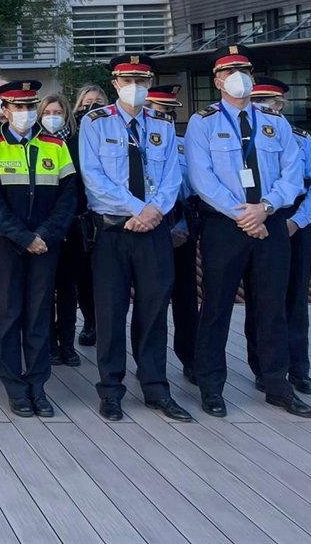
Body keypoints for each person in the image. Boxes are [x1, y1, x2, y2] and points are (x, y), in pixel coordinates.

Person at [185, 45, 311, 419]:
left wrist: (266, 208)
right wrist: (243, 215)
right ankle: (211, 386)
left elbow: (292, 174)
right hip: (225, 226)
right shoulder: (203, 123)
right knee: (216, 307)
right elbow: (201, 178)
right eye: (229, 72)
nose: (238, 77)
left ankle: (276, 384)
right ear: (217, 81)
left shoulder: (275, 123)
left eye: (244, 70)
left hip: (269, 222)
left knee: (272, 307)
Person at [79, 56, 191, 423]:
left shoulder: (162, 123)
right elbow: (93, 176)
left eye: (141, 80)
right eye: (127, 80)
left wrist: (153, 211)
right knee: (110, 313)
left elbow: (172, 175)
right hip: (112, 230)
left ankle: (156, 388)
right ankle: (111, 390)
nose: (135, 86)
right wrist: (138, 208)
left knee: (154, 311)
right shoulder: (95, 122)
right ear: (114, 83)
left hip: (153, 230)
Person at [0, 80, 77, 418]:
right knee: (9, 315)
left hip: (46, 245)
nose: (26, 113)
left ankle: (37, 385)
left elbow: (68, 198)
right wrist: (23, 237)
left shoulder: (55, 146)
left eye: (30, 106)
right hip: (9, 246)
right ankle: (15, 387)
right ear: (4, 110)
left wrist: (44, 234)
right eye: (18, 107)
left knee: (38, 316)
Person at [243, 77, 311, 397]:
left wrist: (297, 222)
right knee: (261, 298)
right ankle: (263, 368)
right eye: (258, 101)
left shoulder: (301, 139)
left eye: (270, 102)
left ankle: (299, 369)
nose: (264, 107)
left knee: (295, 298)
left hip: (296, 223)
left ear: (281, 104)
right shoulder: (245, 138)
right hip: (262, 221)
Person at [145, 84, 201, 384]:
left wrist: (184, 227)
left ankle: (190, 359)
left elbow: (195, 191)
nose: (165, 117)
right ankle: (149, 368)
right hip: (148, 227)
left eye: (169, 112)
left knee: (185, 300)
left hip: (181, 228)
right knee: (151, 301)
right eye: (159, 111)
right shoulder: (135, 143)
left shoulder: (183, 145)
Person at [38, 92, 83, 368]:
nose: (52, 118)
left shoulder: (77, 143)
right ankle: (49, 343)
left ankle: (67, 342)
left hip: (73, 225)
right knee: (45, 289)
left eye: (57, 113)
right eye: (47, 113)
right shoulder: (36, 142)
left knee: (68, 289)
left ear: (67, 114)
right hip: (44, 228)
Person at [70, 84, 107, 347]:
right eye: (86, 103)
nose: (91, 107)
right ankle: (90, 322)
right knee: (83, 275)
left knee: (106, 275)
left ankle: (106, 323)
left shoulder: (112, 130)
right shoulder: (71, 135)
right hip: (80, 214)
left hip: (108, 212)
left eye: (98, 103)